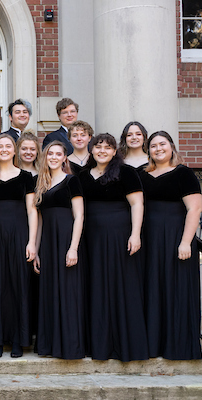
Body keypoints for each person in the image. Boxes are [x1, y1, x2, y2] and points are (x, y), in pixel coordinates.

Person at [78, 133, 148, 362]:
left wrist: (135, 234)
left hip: (119, 234)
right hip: (92, 238)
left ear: (114, 151)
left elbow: (137, 203)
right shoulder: (83, 175)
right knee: (96, 286)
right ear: (91, 150)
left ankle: (125, 345)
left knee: (121, 286)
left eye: (107, 148)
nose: (102, 151)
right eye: (97, 147)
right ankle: (99, 344)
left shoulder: (125, 172)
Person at [139, 131, 202, 360]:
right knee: (152, 288)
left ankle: (177, 345)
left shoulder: (183, 173)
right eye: (153, 146)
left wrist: (186, 241)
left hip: (175, 237)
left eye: (162, 144)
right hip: (149, 240)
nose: (158, 149)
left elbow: (194, 209)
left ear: (172, 146)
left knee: (174, 288)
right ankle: (153, 343)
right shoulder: (143, 175)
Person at [0, 134, 37, 358]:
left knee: (18, 284)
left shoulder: (26, 177)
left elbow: (32, 211)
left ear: (15, 151)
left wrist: (31, 242)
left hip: (20, 235)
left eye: (8, 146)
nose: (3, 149)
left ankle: (19, 340)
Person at [34, 141, 85, 359]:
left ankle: (69, 346)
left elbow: (80, 216)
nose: (54, 157)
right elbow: (40, 221)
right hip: (47, 242)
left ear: (65, 158)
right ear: (45, 157)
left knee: (67, 291)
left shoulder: (72, 181)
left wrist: (73, 248)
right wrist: (36, 250)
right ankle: (50, 345)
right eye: (50, 154)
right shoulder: (41, 183)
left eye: (58, 154)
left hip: (66, 240)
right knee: (50, 291)